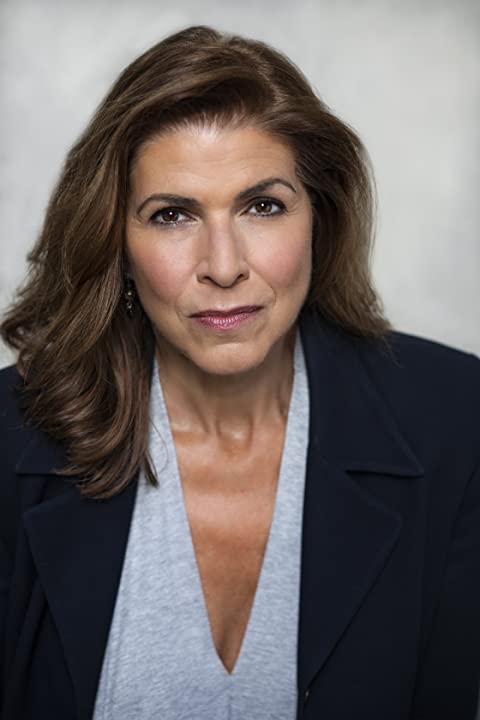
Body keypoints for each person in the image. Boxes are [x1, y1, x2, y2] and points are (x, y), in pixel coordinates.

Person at [0, 24, 479, 720]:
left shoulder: (458, 420)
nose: (223, 267)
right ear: (116, 243)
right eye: (172, 215)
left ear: (319, 218)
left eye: (263, 206)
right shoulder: (9, 435)